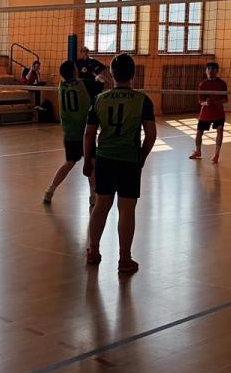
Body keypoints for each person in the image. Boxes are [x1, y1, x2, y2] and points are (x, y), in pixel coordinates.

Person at [83, 53, 156, 274]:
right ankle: (124, 259)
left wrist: (87, 161)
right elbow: (151, 134)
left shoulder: (99, 99)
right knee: (126, 210)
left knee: (100, 206)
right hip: (128, 161)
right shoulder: (142, 100)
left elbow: (88, 134)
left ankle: (93, 251)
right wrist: (141, 158)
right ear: (133, 74)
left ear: (111, 74)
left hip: (105, 159)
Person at [44, 60, 97, 206]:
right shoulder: (84, 84)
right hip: (85, 133)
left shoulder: (61, 86)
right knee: (92, 163)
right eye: (75, 68)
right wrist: (98, 77)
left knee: (69, 163)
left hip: (69, 132)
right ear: (74, 71)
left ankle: (50, 190)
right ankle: (93, 196)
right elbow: (101, 84)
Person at [190, 62, 228, 163]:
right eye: (209, 68)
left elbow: (225, 99)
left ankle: (217, 154)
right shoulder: (203, 84)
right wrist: (207, 103)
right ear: (206, 71)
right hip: (205, 113)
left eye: (213, 69)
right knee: (199, 133)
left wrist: (219, 102)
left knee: (220, 131)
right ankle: (198, 151)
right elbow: (200, 101)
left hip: (218, 112)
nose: (211, 71)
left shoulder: (222, 84)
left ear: (217, 71)